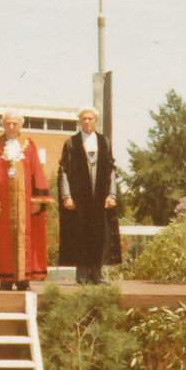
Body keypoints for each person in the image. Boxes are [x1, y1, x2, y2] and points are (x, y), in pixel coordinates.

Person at [0, 112, 52, 290]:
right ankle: (5, 279)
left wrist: (37, 199)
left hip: (25, 205)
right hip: (3, 206)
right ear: (2, 125)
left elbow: (37, 171)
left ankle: (24, 280)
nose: (11, 127)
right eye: (8, 123)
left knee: (27, 240)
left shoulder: (29, 145)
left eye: (14, 124)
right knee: (3, 241)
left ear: (20, 125)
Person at [58, 106, 119, 284]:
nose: (87, 122)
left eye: (90, 119)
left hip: (100, 197)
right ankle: (82, 274)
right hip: (79, 199)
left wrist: (112, 194)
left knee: (100, 235)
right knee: (80, 235)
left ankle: (98, 274)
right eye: (84, 119)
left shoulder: (104, 142)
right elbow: (64, 171)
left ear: (96, 121)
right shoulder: (71, 143)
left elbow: (111, 170)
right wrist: (66, 196)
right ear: (80, 121)